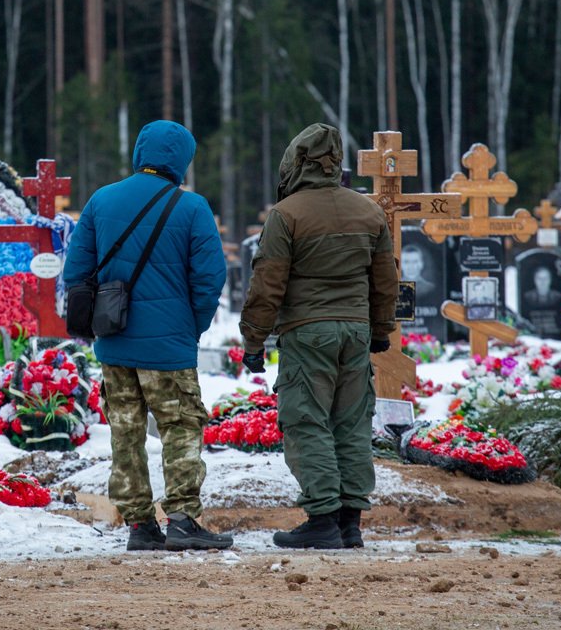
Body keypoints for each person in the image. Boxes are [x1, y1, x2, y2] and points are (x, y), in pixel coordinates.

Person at [64, 120, 231, 553]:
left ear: (140, 152)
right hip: (170, 348)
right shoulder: (192, 208)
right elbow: (210, 278)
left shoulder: (101, 201)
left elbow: (76, 273)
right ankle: (181, 519)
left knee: (125, 432)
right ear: (182, 160)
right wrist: (190, 325)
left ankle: (140, 527)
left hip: (115, 343)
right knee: (180, 428)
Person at [239, 123, 397, 550]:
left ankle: (322, 517)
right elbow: (386, 281)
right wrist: (380, 330)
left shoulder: (287, 214)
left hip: (308, 332)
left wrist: (253, 342)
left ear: (296, 162)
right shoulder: (369, 212)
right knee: (351, 423)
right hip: (356, 331)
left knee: (306, 420)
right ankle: (350, 522)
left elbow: (266, 284)